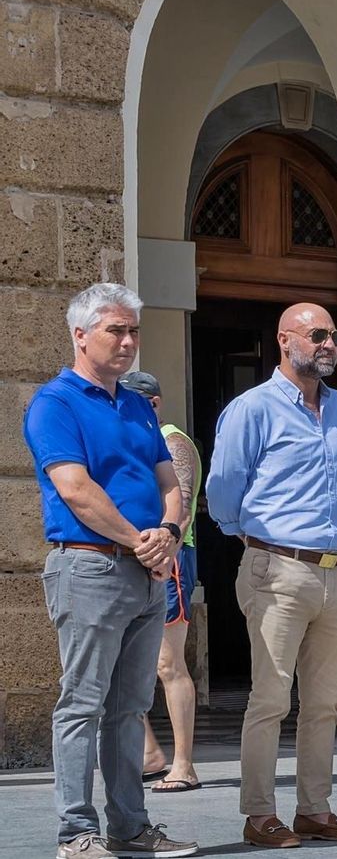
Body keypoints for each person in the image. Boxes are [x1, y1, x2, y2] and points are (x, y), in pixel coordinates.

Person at [24, 282, 198, 859]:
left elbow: (168, 480)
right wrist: (139, 541)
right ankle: (76, 834)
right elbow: (75, 490)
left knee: (129, 708)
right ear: (80, 335)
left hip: (146, 571)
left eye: (133, 331)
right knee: (82, 704)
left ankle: (129, 827)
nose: (128, 342)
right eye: (115, 331)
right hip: (91, 568)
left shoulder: (133, 403)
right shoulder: (54, 403)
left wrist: (168, 534)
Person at [207, 303, 337, 848]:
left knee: (325, 703)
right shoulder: (251, 409)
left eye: (335, 336)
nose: (329, 345)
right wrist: (258, 539)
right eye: (317, 335)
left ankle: (314, 810)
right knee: (271, 699)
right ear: (284, 340)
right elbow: (222, 491)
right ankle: (258, 815)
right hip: (276, 568)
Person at [119, 371, 204, 794]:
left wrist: (164, 550)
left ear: (151, 403)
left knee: (169, 663)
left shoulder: (172, 440)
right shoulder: (144, 442)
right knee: (130, 665)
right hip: (139, 555)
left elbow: (182, 505)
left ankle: (184, 763)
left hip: (168, 558)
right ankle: (151, 754)